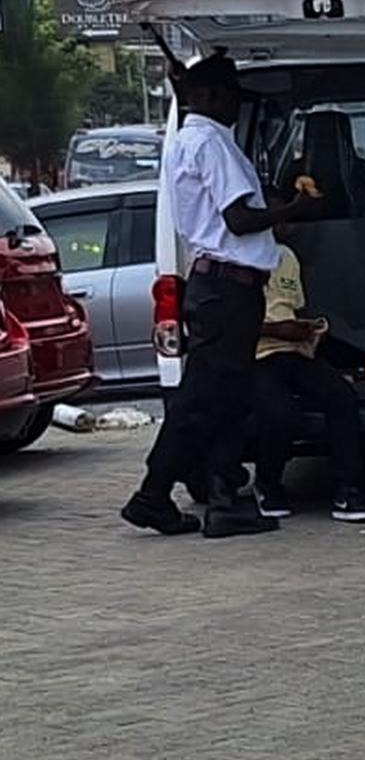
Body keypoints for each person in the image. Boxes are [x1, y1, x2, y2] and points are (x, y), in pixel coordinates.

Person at [122, 52, 320, 537]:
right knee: (203, 400)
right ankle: (154, 494)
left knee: (227, 398)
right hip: (227, 288)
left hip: (224, 288)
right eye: (231, 96)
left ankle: (224, 495)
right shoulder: (210, 142)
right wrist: (294, 207)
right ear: (209, 96)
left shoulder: (188, 138)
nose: (236, 106)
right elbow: (239, 219)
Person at [251, 236, 365, 522]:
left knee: (341, 396)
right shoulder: (230, 258)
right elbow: (224, 321)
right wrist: (275, 330)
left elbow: (295, 307)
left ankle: (349, 490)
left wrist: (307, 330)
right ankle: (268, 483)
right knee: (281, 413)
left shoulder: (286, 256)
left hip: (295, 351)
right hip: (252, 355)